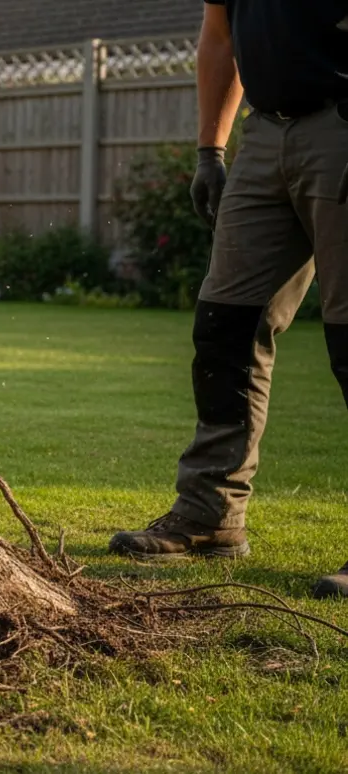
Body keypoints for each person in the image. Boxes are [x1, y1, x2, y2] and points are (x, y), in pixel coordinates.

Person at [108, 0, 348, 598]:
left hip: (341, 124)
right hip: (264, 136)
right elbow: (219, 35)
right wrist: (210, 151)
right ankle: (210, 512)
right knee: (225, 328)